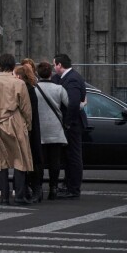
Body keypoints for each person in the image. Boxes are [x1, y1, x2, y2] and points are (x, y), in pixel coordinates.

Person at [0, 53, 34, 205]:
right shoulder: (18, 83)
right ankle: (19, 196)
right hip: (14, 121)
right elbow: (26, 108)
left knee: (0, 160)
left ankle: (4, 197)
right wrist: (27, 125)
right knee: (20, 158)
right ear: (13, 66)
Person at [52, 53, 87, 200]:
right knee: (68, 157)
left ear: (60, 65)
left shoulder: (72, 79)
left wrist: (66, 122)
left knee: (73, 157)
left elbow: (73, 103)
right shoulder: (67, 77)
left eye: (54, 65)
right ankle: (68, 185)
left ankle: (73, 188)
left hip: (72, 124)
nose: (54, 68)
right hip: (71, 123)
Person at [35, 61, 68, 200]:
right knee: (55, 161)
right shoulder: (59, 89)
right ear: (51, 74)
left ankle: (38, 189)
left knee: (39, 162)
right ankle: (53, 188)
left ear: (38, 74)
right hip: (55, 129)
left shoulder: (33, 89)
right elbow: (69, 105)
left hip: (39, 130)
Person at [15, 62, 43, 202]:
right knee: (30, 160)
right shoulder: (30, 88)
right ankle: (32, 190)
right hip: (31, 128)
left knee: (30, 160)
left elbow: (26, 111)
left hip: (28, 129)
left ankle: (34, 190)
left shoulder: (26, 90)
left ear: (20, 76)